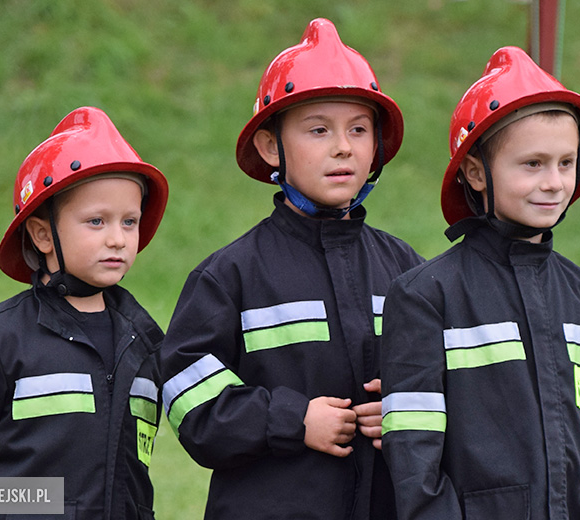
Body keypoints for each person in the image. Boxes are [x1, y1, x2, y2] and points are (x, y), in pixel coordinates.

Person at [159, 18, 422, 519]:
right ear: (269, 146)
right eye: (319, 130)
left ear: (377, 147)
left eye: (359, 129)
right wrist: (292, 419)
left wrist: (406, 411)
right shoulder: (229, 276)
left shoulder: (408, 272)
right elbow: (190, 406)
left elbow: (452, 389)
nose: (343, 146)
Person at [380, 46, 580, 519]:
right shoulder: (425, 296)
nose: (554, 182)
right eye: (532, 164)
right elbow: (414, 464)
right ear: (475, 173)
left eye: (566, 162)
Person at [0, 106, 170, 519]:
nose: (118, 239)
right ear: (42, 234)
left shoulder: (147, 341)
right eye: (97, 221)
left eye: (129, 222)